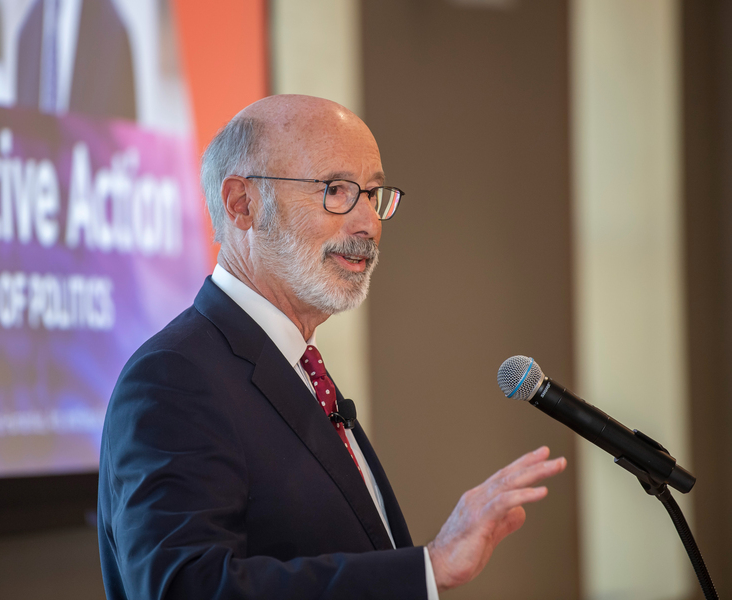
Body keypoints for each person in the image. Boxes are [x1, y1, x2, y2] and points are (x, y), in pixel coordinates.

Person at [96, 95, 567, 599]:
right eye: (336, 190)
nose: (368, 222)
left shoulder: (297, 367)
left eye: (373, 193)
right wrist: (426, 568)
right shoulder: (175, 379)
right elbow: (183, 588)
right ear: (241, 204)